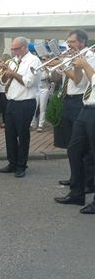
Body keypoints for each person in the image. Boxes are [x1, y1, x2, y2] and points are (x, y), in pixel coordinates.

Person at [50, 30, 95, 190]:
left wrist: (62, 68)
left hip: (80, 101)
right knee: (73, 146)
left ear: (82, 43)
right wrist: (57, 67)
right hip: (68, 99)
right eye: (68, 42)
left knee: (85, 148)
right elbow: (63, 80)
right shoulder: (71, 57)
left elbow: (79, 82)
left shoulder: (89, 57)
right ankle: (75, 177)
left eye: (72, 42)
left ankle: (88, 182)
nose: (68, 45)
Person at [54, 52, 95, 213]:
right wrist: (77, 66)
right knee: (74, 150)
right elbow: (79, 81)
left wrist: (84, 65)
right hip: (86, 107)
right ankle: (77, 193)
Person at [0, 37, 41, 178]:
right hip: (11, 102)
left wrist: (12, 73)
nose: (13, 51)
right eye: (12, 49)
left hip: (25, 102)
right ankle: (12, 163)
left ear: (24, 47)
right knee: (9, 135)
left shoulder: (33, 61)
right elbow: (3, 81)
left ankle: (21, 165)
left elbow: (28, 82)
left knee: (22, 135)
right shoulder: (14, 60)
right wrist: (4, 72)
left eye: (16, 49)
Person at [30, 57, 53, 132]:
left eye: (44, 59)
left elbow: (50, 78)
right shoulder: (38, 68)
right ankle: (32, 124)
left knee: (42, 107)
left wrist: (46, 68)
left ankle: (40, 125)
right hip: (37, 89)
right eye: (42, 59)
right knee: (34, 106)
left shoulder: (49, 68)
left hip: (45, 89)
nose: (43, 61)